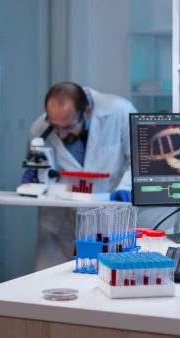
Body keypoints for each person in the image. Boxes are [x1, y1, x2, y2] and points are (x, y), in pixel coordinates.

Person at [24, 82, 136, 269]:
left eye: (67, 127)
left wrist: (125, 187)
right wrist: (34, 179)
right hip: (59, 223)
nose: (60, 135)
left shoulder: (120, 112)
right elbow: (39, 169)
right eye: (55, 127)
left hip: (107, 218)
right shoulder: (39, 128)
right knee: (51, 284)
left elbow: (139, 160)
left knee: (105, 281)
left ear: (87, 112)